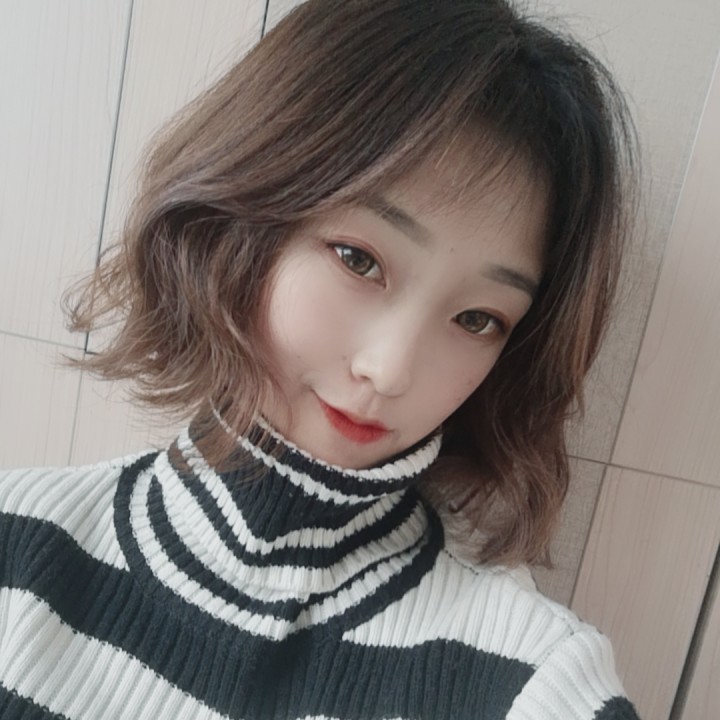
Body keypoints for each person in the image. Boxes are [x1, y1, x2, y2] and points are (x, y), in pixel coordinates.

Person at [0, 0, 641, 718]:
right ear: (243, 222)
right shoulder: (18, 548)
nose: (390, 371)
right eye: (357, 259)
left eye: (476, 319)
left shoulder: (528, 679)